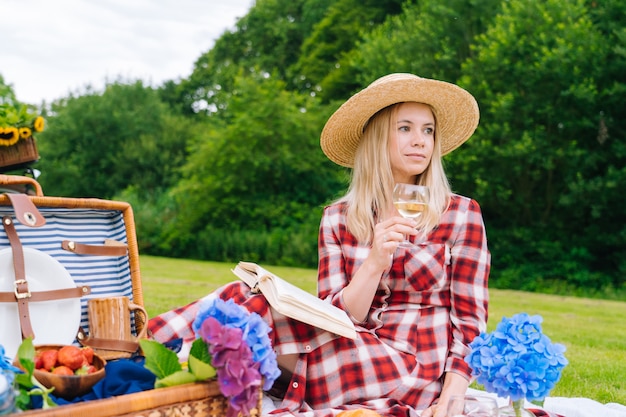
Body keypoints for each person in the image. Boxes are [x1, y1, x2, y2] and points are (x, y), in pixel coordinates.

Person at [148, 73, 490, 417]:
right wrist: (374, 263)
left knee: (241, 328)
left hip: (412, 368)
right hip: (348, 345)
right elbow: (338, 317)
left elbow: (470, 322)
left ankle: (145, 362)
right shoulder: (338, 218)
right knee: (241, 299)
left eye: (427, 130)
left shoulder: (460, 213)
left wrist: (452, 395)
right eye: (405, 128)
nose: (420, 141)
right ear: (375, 137)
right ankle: (141, 354)